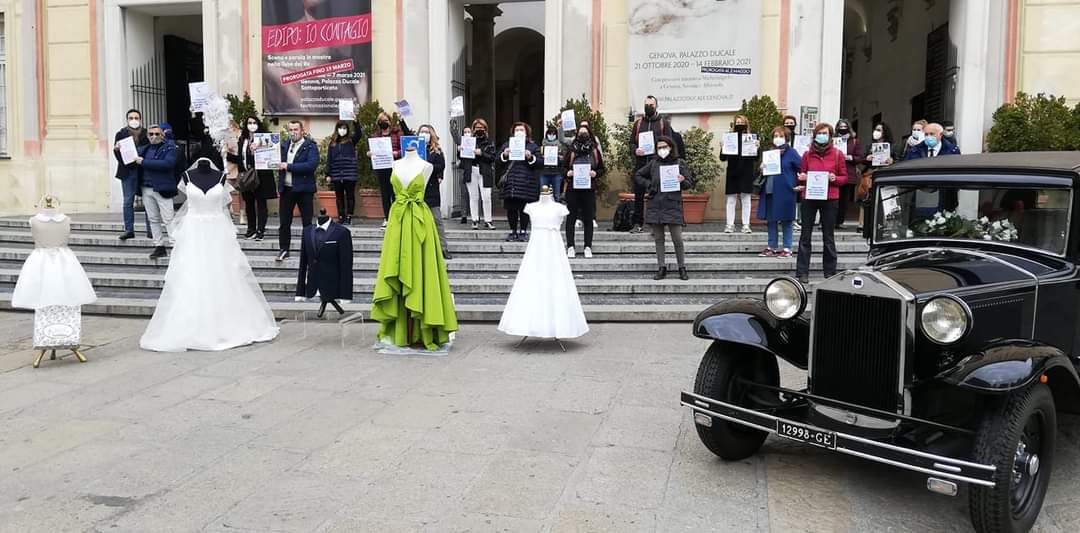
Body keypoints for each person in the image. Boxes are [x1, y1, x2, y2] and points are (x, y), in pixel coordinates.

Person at [140, 160, 278, 352]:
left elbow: (224, 205)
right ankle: (191, 323)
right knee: (192, 274)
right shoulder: (187, 177)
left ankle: (226, 322)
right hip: (194, 231)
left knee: (221, 274)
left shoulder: (221, 178)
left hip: (216, 230)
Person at [794, 122, 847, 284]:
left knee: (828, 237)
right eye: (819, 133)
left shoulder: (837, 154)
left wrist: (835, 178)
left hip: (830, 198)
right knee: (805, 236)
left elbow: (845, 177)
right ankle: (802, 272)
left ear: (830, 136)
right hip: (810, 197)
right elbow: (801, 174)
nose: (822, 136)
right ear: (815, 135)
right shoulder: (807, 155)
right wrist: (802, 177)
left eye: (825, 133)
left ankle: (830, 271)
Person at [634, 136, 693, 281]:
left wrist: (682, 180)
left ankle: (682, 267)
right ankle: (661, 267)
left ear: (671, 147)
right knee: (659, 239)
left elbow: (689, 183)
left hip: (673, 204)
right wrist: (649, 185)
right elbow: (638, 174)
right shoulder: (654, 163)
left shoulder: (680, 163)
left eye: (664, 147)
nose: (662, 150)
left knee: (677, 239)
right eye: (659, 147)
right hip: (656, 204)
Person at [226, 115, 278, 240]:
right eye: (249, 122)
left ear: (258, 124)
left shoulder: (265, 137)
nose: (252, 125)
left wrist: (259, 148)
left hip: (261, 176)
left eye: (254, 122)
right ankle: (251, 229)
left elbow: (273, 152)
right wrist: (227, 155)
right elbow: (240, 159)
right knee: (248, 203)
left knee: (261, 203)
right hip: (246, 176)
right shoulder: (243, 139)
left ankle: (260, 230)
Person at [628, 95, 674, 233]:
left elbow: (670, 142)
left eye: (651, 105)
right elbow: (631, 142)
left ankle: (657, 224)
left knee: (658, 194)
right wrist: (635, 150)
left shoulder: (663, 123)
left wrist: (661, 153)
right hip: (641, 163)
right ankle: (638, 223)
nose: (649, 107)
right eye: (646, 105)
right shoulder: (638, 124)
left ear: (656, 106)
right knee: (639, 194)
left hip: (657, 162)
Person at [276, 120, 319, 262]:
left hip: (304, 190)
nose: (293, 132)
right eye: (291, 130)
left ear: (302, 131)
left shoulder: (310, 146)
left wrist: (288, 166)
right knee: (284, 222)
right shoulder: (284, 145)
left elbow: (311, 165)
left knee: (307, 222)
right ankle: (284, 249)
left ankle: (308, 251)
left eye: (296, 129)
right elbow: (271, 157)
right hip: (287, 189)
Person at [134, 124, 179, 260]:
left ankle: (175, 245)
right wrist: (118, 149)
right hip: (146, 188)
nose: (154, 136)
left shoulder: (170, 147)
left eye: (157, 134)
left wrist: (144, 162)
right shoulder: (144, 149)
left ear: (162, 135)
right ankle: (159, 246)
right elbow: (128, 156)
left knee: (169, 219)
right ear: (147, 136)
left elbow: (167, 164)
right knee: (153, 219)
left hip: (162, 188)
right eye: (151, 134)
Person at [757, 126, 801, 258]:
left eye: (780, 136)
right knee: (771, 220)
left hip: (786, 191)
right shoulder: (770, 153)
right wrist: (762, 167)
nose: (777, 139)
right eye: (775, 136)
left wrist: (799, 184)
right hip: (770, 190)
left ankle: (787, 248)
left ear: (786, 138)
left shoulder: (792, 153)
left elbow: (802, 168)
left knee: (787, 220)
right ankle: (772, 246)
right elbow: (764, 171)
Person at [564, 123, 605, 258]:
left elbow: (602, 169)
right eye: (580, 133)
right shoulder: (571, 150)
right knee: (571, 218)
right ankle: (570, 246)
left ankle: (588, 246)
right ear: (577, 135)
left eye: (585, 133)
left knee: (588, 218)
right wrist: (568, 173)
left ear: (589, 135)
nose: (582, 135)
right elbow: (562, 167)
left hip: (588, 189)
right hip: (572, 189)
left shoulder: (594, 150)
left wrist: (595, 174)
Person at [497, 122, 541, 241]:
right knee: (511, 209)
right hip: (511, 184)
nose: (519, 132)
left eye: (522, 130)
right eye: (517, 130)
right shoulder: (507, 145)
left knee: (524, 209)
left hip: (526, 184)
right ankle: (512, 231)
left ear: (527, 133)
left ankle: (523, 231)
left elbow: (540, 163)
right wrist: (504, 155)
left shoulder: (532, 146)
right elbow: (498, 162)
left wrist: (531, 157)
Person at [367, 111, 411, 226]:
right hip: (381, 168)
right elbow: (372, 151)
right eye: (381, 121)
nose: (384, 123)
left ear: (390, 122)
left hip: (395, 167)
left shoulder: (397, 134)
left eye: (386, 120)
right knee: (385, 194)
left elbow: (407, 146)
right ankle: (387, 218)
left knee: (395, 192)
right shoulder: (375, 136)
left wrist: (397, 153)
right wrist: (370, 154)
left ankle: (397, 217)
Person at [112, 108, 149, 241]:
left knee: (148, 200)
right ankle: (129, 229)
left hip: (144, 170)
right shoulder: (121, 134)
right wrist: (117, 150)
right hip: (127, 171)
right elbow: (116, 152)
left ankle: (150, 229)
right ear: (127, 120)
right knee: (128, 201)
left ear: (140, 119)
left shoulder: (147, 133)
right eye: (131, 118)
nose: (134, 120)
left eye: (136, 118)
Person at [416, 123, 451, 259]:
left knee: (437, 220)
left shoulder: (436, 151)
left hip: (431, 189)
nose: (424, 134)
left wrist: (428, 167)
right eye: (421, 132)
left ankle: (443, 248)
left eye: (426, 132)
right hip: (417, 189)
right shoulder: (414, 148)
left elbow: (441, 166)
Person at [719, 114, 757, 234]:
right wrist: (722, 147)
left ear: (746, 123)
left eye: (742, 122)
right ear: (734, 124)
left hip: (746, 172)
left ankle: (746, 224)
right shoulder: (730, 137)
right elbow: (723, 158)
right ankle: (730, 224)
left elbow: (756, 158)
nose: (739, 124)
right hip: (733, 172)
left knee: (746, 199)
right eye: (738, 122)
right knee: (731, 199)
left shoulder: (751, 137)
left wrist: (757, 147)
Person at [460, 119, 497, 230]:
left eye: (481, 128)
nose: (479, 130)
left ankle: (488, 220)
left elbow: (492, 157)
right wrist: (459, 150)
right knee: (473, 197)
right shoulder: (469, 140)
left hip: (485, 171)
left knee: (486, 196)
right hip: (471, 170)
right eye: (477, 128)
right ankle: (475, 220)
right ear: (473, 129)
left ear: (485, 129)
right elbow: (462, 157)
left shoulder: (489, 142)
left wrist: (482, 153)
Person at [326, 119, 363, 224]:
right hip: (337, 173)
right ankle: (341, 216)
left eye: (344, 128)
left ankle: (349, 216)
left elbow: (359, 134)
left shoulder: (351, 140)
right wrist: (328, 173)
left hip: (349, 173)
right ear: (337, 129)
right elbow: (329, 159)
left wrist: (356, 122)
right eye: (340, 128)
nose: (342, 130)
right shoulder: (332, 143)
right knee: (339, 196)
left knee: (350, 195)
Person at [834, 118, 864, 230]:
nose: (842, 129)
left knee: (843, 200)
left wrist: (850, 157)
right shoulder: (833, 140)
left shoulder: (855, 141)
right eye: (840, 127)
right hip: (834, 173)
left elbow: (860, 157)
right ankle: (829, 221)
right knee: (832, 199)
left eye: (844, 127)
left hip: (848, 173)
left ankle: (839, 221)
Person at [539, 124, 566, 202]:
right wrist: (542, 157)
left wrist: (560, 158)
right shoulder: (542, 147)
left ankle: (556, 213)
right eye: (550, 133)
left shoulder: (560, 146)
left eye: (553, 134)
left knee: (556, 196)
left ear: (556, 135)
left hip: (556, 173)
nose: (551, 135)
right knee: (544, 196)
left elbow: (564, 161)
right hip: (544, 173)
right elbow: (538, 160)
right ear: (546, 134)